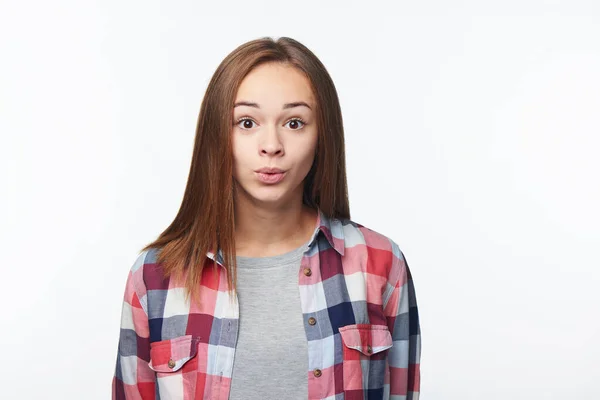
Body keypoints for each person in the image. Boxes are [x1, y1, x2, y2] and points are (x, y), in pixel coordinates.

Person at [112, 36, 421, 400]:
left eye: (294, 123)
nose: (271, 145)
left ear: (322, 135)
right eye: (246, 122)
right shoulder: (154, 277)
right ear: (217, 135)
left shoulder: (380, 264)